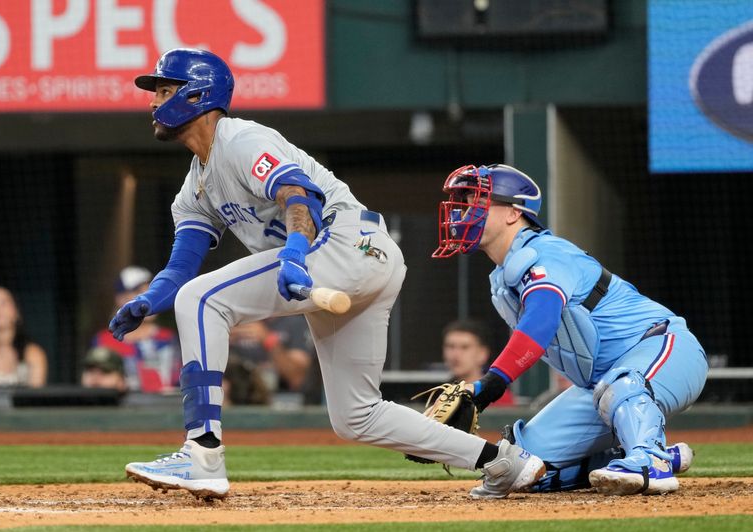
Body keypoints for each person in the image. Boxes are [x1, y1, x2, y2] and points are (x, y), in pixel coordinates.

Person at [110, 48, 544, 501]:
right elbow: (181, 264)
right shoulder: (194, 185)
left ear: (199, 95)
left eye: (164, 90)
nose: (154, 102)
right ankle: (504, 461)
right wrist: (147, 301)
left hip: (345, 244)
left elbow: (299, 196)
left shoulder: (239, 140)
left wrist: (295, 254)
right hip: (360, 263)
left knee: (203, 300)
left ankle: (202, 454)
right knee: (356, 416)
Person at [432, 163, 707, 495]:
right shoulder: (503, 279)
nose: (463, 213)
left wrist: (491, 384)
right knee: (526, 467)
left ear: (512, 214)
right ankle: (645, 452)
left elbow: (541, 321)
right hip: (598, 387)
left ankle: (651, 460)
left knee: (619, 385)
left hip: (667, 349)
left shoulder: (545, 253)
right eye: (463, 203)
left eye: (476, 202)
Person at [93, 266, 181, 393]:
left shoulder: (167, 337)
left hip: (165, 407)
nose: (150, 297)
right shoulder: (104, 340)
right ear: (121, 299)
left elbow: (181, 381)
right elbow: (94, 383)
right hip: (121, 409)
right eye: (140, 291)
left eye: (153, 291)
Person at [229, 317, 314, 394]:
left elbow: (297, 379)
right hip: (239, 395)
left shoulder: (294, 322)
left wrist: (268, 339)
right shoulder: (235, 319)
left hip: (282, 400)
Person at [441, 319, 513, 406]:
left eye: (465, 347)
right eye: (451, 346)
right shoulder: (438, 394)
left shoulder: (497, 397)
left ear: (482, 354)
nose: (456, 354)